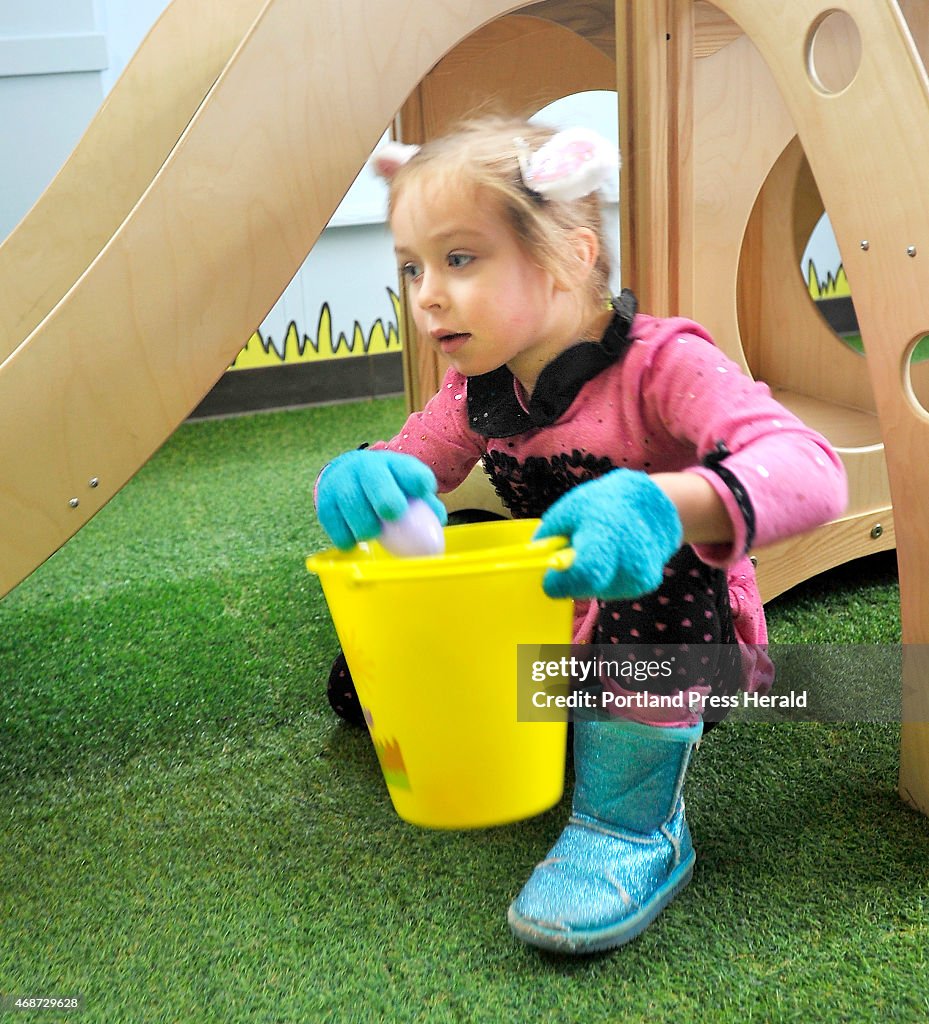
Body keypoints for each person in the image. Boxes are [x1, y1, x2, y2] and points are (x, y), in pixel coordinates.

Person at [313, 115, 847, 954]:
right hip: (561, 628)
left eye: (458, 259)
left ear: (571, 253)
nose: (426, 294)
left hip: (678, 646)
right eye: (412, 266)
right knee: (453, 540)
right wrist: (363, 478)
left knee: (657, 566)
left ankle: (635, 829)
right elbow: (412, 461)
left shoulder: (664, 364)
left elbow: (813, 468)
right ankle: (540, 711)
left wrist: (665, 504)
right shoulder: (477, 388)